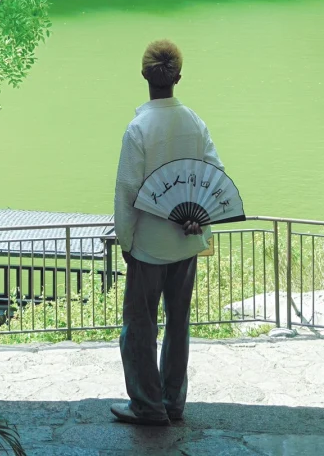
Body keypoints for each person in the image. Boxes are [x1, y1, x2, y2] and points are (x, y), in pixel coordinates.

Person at [110, 39, 223, 427]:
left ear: (144, 75)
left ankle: (146, 405)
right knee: (179, 322)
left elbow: (127, 193)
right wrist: (200, 218)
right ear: (178, 76)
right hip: (185, 243)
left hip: (147, 247)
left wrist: (126, 242)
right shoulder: (193, 122)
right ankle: (173, 402)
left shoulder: (139, 128)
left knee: (140, 327)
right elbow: (213, 176)